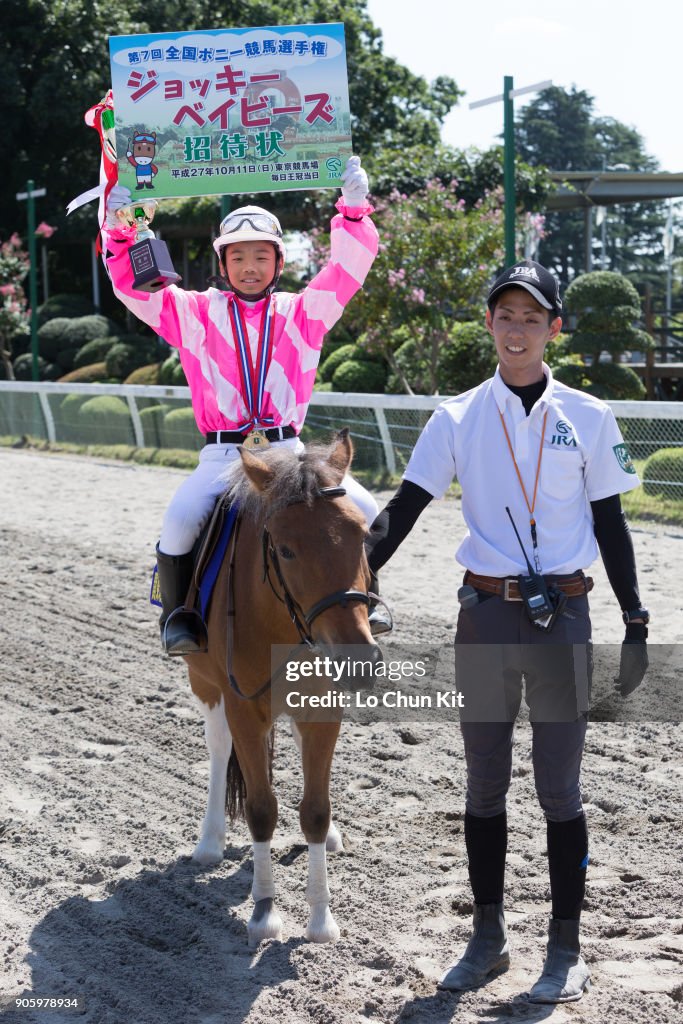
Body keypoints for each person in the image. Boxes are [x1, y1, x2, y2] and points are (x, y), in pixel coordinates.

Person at [364, 259, 649, 1003]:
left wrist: (635, 615)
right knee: (483, 784)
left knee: (559, 789)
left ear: (553, 327)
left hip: (563, 616)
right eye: (504, 315)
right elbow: (405, 505)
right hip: (483, 615)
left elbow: (611, 525)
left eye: (531, 316)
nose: (516, 328)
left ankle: (564, 947)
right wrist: (354, 576)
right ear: (487, 324)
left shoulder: (589, 416)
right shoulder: (454, 416)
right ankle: (486, 938)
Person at [102, 156, 390, 654]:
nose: (249, 267)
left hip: (291, 452)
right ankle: (180, 616)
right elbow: (134, 289)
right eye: (238, 258)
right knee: (180, 517)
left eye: (261, 256)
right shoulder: (191, 310)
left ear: (278, 262)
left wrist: (355, 213)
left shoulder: (305, 310)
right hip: (224, 455)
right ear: (223, 264)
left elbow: (347, 269)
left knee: (363, 508)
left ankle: (369, 602)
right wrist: (120, 234)